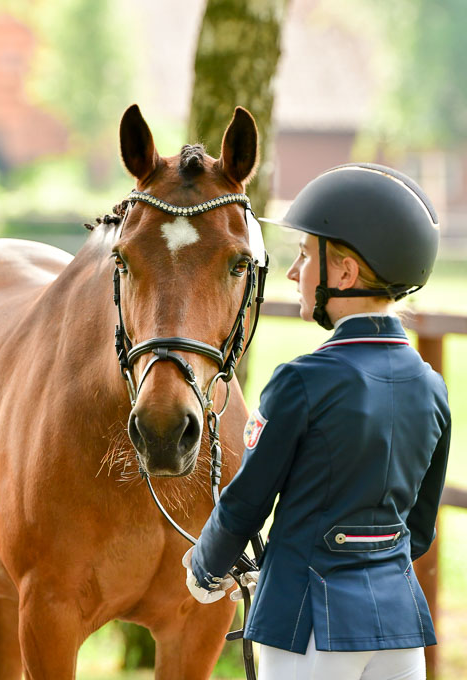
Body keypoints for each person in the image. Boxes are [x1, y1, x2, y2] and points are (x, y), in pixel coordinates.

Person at [182, 163, 451, 680]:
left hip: (308, 627)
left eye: (305, 255)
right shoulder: (431, 386)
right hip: (400, 633)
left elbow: (247, 501)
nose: (292, 272)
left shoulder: (301, 381)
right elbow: (417, 530)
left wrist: (206, 565)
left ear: (345, 274)